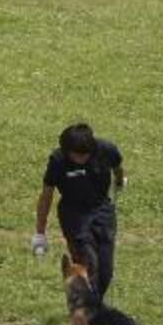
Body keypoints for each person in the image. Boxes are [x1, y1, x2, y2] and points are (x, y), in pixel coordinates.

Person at [32, 123, 127, 299]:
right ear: (67, 151)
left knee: (105, 270)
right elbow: (46, 195)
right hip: (73, 214)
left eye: (85, 156)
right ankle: (84, 316)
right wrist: (40, 233)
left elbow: (117, 167)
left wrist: (121, 181)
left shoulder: (106, 149)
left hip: (102, 210)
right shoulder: (58, 160)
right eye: (76, 156)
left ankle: (93, 310)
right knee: (88, 262)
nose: (81, 160)